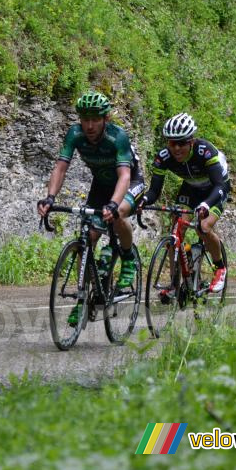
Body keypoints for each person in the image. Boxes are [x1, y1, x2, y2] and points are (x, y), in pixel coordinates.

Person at [37, 91, 145, 325]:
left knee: (118, 214)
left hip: (129, 182)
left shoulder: (118, 137)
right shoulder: (75, 134)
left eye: (95, 119)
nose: (89, 125)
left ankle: (128, 259)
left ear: (106, 119)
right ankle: (83, 300)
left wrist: (114, 204)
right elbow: (60, 167)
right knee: (88, 238)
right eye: (85, 119)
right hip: (101, 185)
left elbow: (124, 175)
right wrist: (50, 198)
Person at [139, 113, 230, 293]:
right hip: (190, 188)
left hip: (215, 189)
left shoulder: (205, 151)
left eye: (182, 143)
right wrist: (143, 200)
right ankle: (174, 283)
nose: (177, 148)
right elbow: (154, 191)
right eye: (172, 143)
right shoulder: (163, 157)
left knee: (203, 227)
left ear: (192, 141)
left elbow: (220, 185)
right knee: (176, 231)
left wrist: (206, 205)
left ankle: (220, 268)